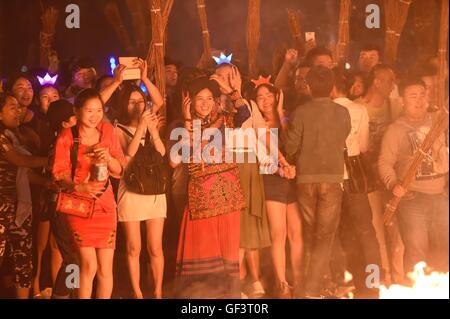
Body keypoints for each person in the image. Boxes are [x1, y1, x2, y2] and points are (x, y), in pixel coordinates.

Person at [172, 77, 245, 298]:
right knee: (202, 249)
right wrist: (186, 120)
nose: (205, 103)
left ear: (215, 101)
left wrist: (231, 90)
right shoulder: (180, 125)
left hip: (227, 199)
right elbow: (175, 160)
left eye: (209, 99)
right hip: (201, 200)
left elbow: (245, 114)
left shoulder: (226, 121)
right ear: (189, 102)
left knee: (228, 249)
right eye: (199, 99)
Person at [284, 66, 351, 298]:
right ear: (332, 87)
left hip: (306, 181)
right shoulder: (342, 113)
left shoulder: (301, 112)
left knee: (312, 232)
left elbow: (291, 147)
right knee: (326, 235)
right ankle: (318, 287)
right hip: (332, 180)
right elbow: (343, 138)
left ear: (309, 87)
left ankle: (315, 286)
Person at [52, 88, 126, 299]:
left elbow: (120, 168)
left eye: (99, 110)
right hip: (79, 207)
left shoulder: (108, 131)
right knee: (88, 265)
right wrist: (78, 187)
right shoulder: (68, 137)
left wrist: (109, 158)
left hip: (105, 206)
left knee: (105, 268)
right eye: (89, 111)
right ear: (77, 111)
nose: (95, 116)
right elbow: (58, 173)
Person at [211, 62, 271, 298]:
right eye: (221, 77)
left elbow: (262, 133)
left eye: (231, 76)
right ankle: (234, 283)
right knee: (229, 228)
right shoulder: (211, 104)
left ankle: (250, 280)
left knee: (248, 225)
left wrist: (281, 162)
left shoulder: (247, 105)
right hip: (222, 168)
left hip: (247, 167)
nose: (226, 81)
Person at [379, 78, 449, 277]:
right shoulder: (396, 130)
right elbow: (385, 162)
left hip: (440, 195)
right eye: (413, 96)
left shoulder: (439, 120)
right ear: (402, 101)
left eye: (422, 95)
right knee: (417, 251)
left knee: (445, 247)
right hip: (412, 199)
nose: (419, 100)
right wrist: (393, 184)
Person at [114, 59, 166, 299]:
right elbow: (127, 157)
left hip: (154, 189)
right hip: (130, 191)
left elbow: (160, 101)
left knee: (155, 247)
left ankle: (157, 292)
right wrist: (143, 128)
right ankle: (137, 292)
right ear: (124, 106)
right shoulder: (116, 129)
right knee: (133, 247)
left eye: (140, 101)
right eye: (131, 101)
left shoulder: (150, 120)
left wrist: (144, 78)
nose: (137, 105)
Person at [331, 68, 382, 298]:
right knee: (366, 232)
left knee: (334, 233)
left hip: (329, 179)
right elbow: (363, 147)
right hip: (353, 176)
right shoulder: (359, 110)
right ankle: (373, 282)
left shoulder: (322, 110)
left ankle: (342, 282)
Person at [355, 64, 404, 284]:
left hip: (394, 179)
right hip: (369, 180)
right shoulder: (357, 109)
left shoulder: (394, 107)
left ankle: (400, 277)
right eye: (390, 80)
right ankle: (382, 277)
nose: (393, 85)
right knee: (376, 228)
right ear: (377, 81)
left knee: (396, 231)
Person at [252, 82, 302, 298]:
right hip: (271, 180)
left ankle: (299, 280)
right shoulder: (256, 124)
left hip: (291, 180)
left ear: (276, 96)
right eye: (259, 96)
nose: (265, 99)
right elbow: (259, 159)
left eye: (269, 95)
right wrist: (282, 170)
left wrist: (281, 111)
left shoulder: (286, 119)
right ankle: (282, 284)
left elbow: (295, 144)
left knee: (296, 231)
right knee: (278, 233)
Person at [0, 93, 48, 298]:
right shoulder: (3, 139)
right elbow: (19, 161)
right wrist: (52, 159)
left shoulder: (14, 136)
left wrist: (48, 183)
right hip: (3, 207)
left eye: (19, 107)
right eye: (12, 107)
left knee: (23, 258)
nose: (19, 111)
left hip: (17, 205)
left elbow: (24, 173)